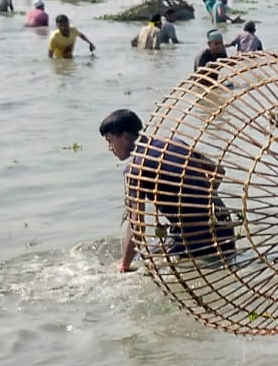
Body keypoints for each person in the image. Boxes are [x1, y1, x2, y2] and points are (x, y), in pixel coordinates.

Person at [99, 108, 230, 274]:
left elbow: (136, 227)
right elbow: (218, 171)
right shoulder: (175, 142)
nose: (110, 148)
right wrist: (199, 203)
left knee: (139, 260)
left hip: (195, 239)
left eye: (110, 141)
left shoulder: (135, 170)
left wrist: (124, 266)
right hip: (224, 228)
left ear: (124, 137)